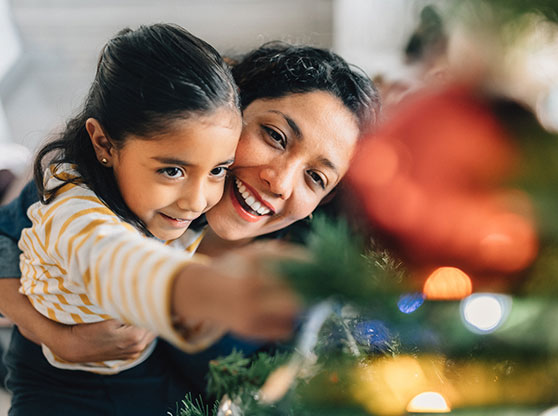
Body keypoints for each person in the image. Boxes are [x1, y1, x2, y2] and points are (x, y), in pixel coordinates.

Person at [0, 41, 380, 411]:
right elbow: (95, 250)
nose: (279, 182)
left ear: (325, 200)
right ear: (231, 103)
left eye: (315, 177)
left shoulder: (304, 278)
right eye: (275, 136)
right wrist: (55, 336)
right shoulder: (106, 176)